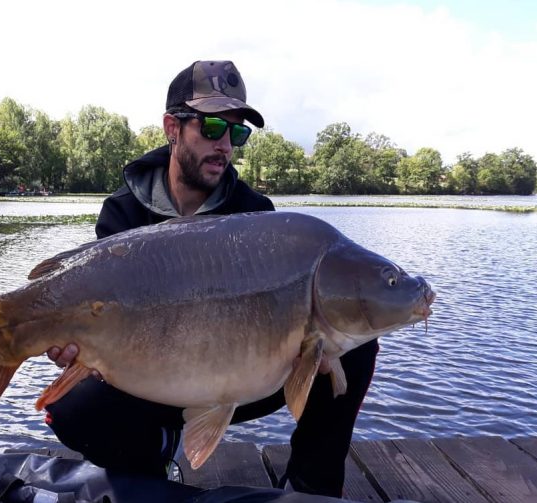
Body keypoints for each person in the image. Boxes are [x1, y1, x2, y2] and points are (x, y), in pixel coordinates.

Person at [44, 60, 378, 497]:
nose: (225, 145)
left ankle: (310, 485)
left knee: (353, 343)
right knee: (71, 407)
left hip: (239, 376)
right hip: (148, 379)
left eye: (237, 133)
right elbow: (99, 317)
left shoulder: (255, 215)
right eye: (212, 128)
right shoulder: (122, 213)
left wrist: (309, 342)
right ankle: (152, 458)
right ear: (172, 127)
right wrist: (75, 346)